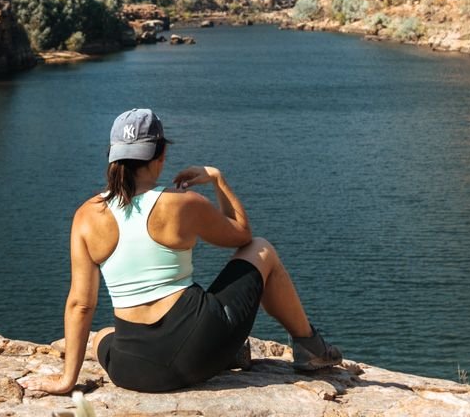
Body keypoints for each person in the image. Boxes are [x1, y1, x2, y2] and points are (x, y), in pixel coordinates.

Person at [28, 107, 342, 394]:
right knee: (262, 249)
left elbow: (80, 304)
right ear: (160, 155)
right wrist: (218, 180)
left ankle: (230, 352)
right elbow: (242, 235)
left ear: (112, 157)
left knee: (103, 335)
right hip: (198, 352)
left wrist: (67, 380)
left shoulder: (85, 216)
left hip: (133, 372)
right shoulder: (182, 205)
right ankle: (310, 348)